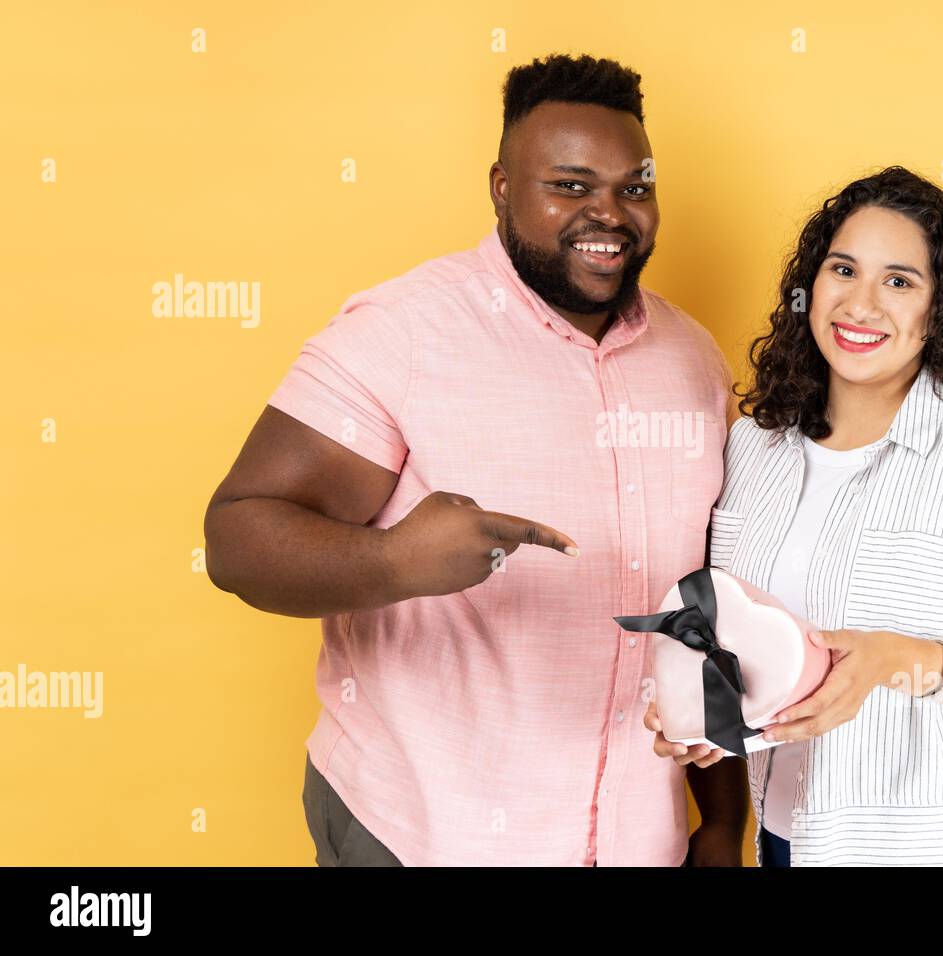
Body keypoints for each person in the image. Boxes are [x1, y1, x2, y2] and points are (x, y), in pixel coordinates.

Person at [204, 53, 749, 866]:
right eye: (569, 185)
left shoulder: (694, 359)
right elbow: (235, 538)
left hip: (642, 840)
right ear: (501, 186)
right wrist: (392, 562)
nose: (608, 214)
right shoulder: (400, 333)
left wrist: (718, 823)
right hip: (424, 830)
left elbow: (705, 608)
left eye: (633, 188)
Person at [646, 166, 943, 866]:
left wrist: (896, 662)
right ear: (809, 288)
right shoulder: (753, 450)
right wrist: (706, 715)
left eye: (900, 281)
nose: (861, 303)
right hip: (789, 844)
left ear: (940, 310)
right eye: (843, 269)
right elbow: (748, 646)